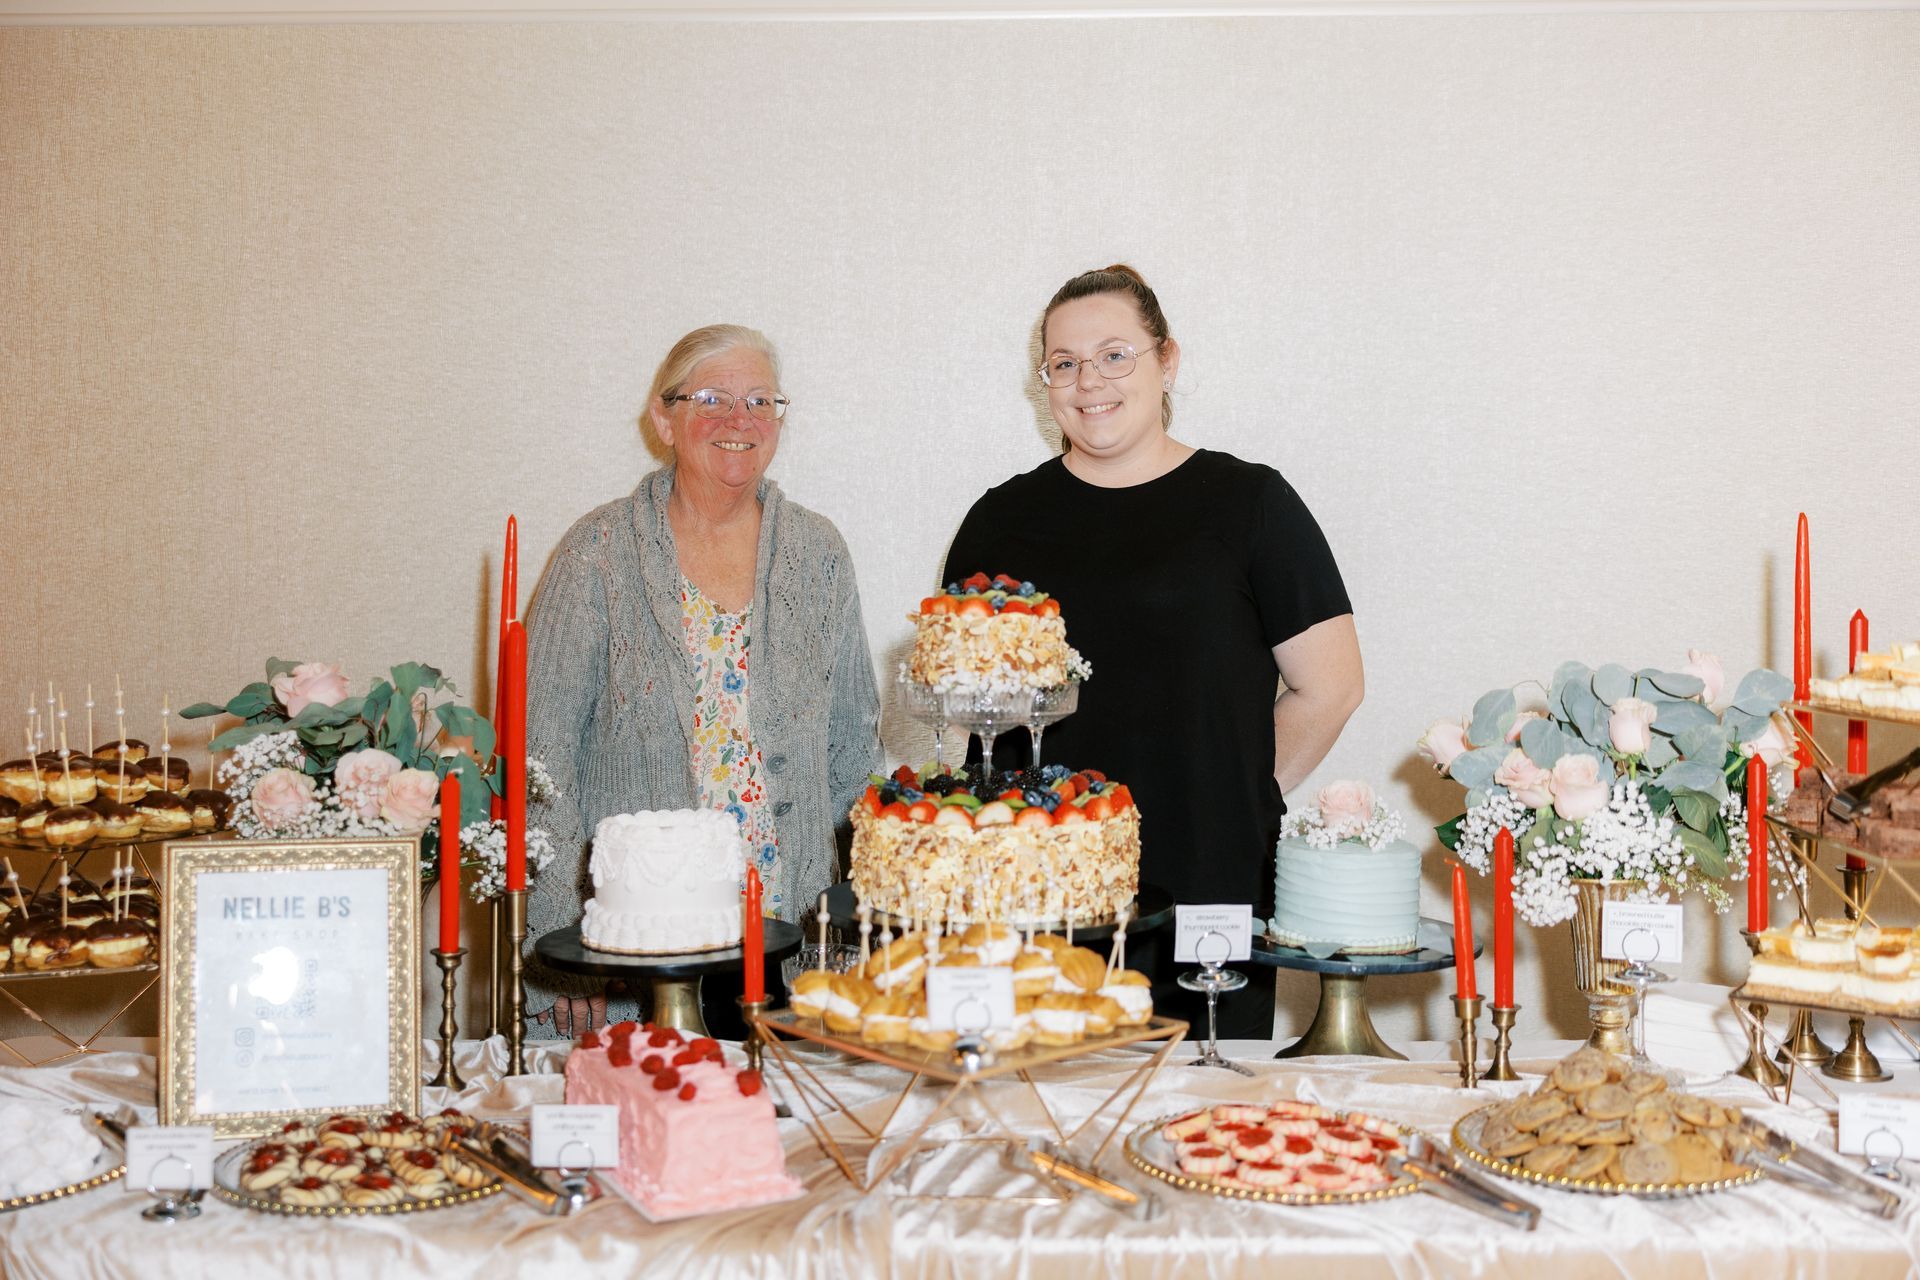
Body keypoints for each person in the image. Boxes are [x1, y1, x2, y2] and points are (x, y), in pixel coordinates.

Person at [944, 265, 1363, 1038]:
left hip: (1209, 876)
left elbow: (1332, 686)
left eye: (1114, 355)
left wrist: (1232, 792)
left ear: (1166, 360)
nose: (1088, 381)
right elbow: (967, 706)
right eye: (1063, 364)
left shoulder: (1250, 503)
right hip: (1038, 885)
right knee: (1043, 1110)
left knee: (1205, 1117)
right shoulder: (1000, 521)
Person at [523, 324, 881, 1037]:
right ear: (664, 418)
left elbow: (853, 749)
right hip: (635, 954)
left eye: (759, 401)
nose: (738, 420)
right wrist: (560, 946)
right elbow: (539, 766)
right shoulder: (596, 553)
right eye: (711, 397)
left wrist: (843, 924)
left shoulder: (818, 552)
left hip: (786, 945)